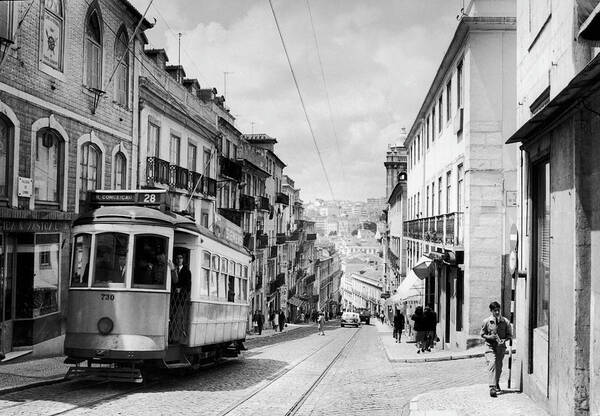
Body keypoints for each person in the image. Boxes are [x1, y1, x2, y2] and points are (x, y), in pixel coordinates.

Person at [481, 301, 512, 398]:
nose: (497, 312)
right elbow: (482, 334)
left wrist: (504, 340)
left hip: (500, 348)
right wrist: (490, 337)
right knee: (492, 364)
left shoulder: (505, 322)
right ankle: (492, 387)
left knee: (499, 367)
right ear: (491, 311)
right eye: (495, 311)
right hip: (490, 346)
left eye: (498, 310)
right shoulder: (486, 321)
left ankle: (496, 382)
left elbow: (509, 335)